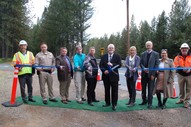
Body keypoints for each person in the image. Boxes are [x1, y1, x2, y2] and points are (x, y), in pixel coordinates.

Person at [99, 44, 121, 111]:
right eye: (109, 48)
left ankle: (114, 104)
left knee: (114, 91)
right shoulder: (103, 56)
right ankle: (107, 102)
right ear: (107, 49)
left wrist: (113, 64)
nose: (111, 49)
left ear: (114, 49)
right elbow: (101, 65)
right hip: (106, 76)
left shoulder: (117, 56)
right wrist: (104, 70)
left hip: (114, 76)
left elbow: (119, 65)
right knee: (107, 90)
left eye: (112, 48)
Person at [140, 41, 159, 109]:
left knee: (150, 89)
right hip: (144, 74)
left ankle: (149, 103)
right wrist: (143, 68)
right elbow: (141, 63)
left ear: (152, 46)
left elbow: (156, 65)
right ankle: (144, 100)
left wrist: (153, 74)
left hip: (151, 75)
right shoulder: (143, 54)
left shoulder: (156, 54)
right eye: (147, 45)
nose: (148, 46)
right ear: (146, 46)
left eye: (149, 45)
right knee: (143, 89)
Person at [174, 43, 191, 108]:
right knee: (181, 87)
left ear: (188, 49)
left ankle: (186, 101)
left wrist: (189, 69)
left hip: (189, 75)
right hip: (180, 74)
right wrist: (182, 69)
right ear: (181, 50)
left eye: (185, 48)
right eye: (183, 49)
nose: (184, 50)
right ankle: (181, 99)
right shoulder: (177, 57)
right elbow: (175, 65)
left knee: (189, 88)